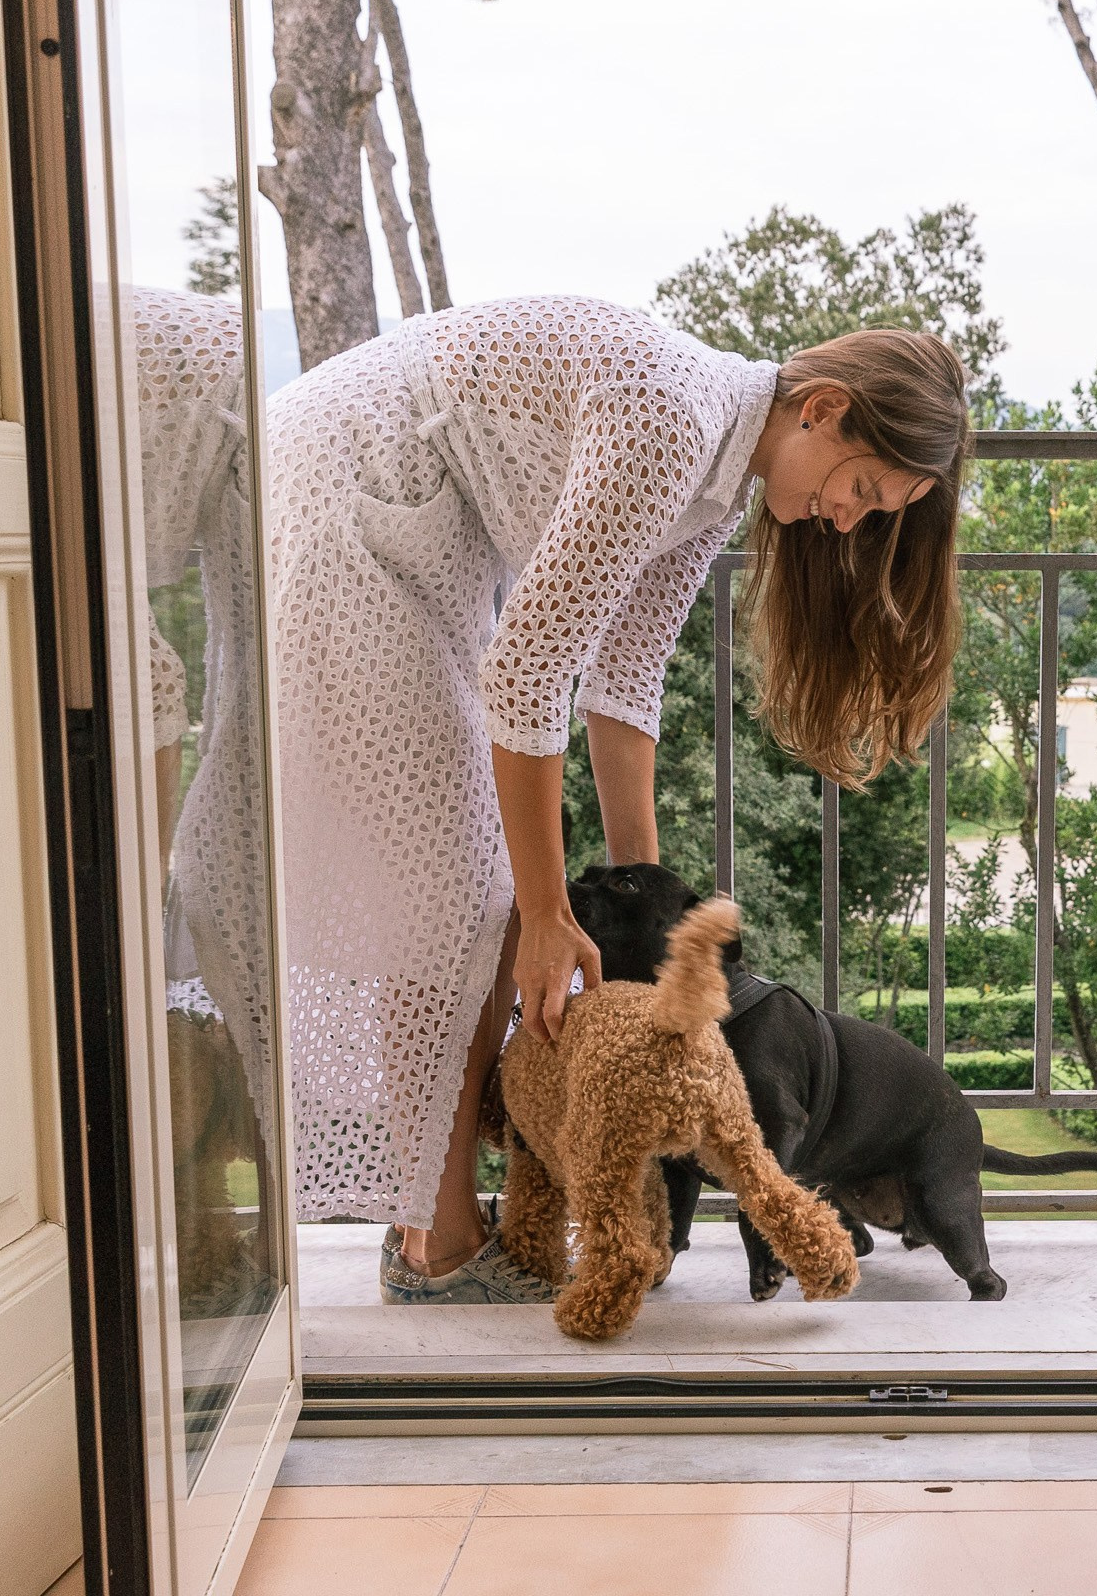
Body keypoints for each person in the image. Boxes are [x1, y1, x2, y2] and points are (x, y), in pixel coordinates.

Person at [265, 296, 969, 1302]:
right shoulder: (674, 424)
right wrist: (549, 916)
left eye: (877, 511)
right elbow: (531, 672)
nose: (849, 518)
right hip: (344, 487)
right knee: (461, 893)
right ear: (820, 407)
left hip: (411, 519)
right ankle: (436, 1243)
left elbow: (623, 679)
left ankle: (440, 1225)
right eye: (860, 486)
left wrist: (647, 917)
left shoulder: (720, 479)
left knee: (478, 889)